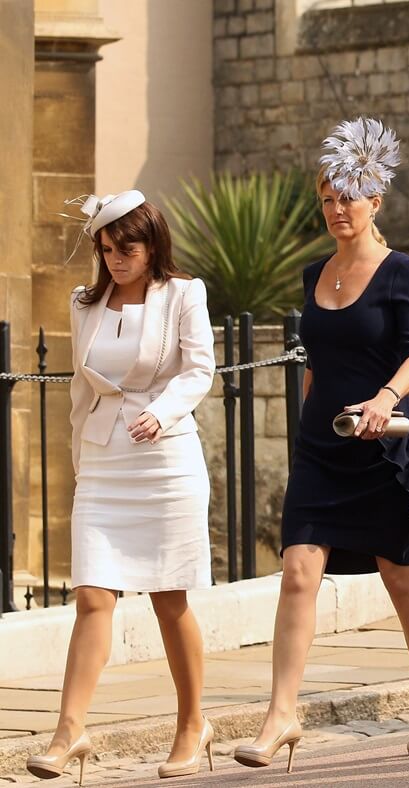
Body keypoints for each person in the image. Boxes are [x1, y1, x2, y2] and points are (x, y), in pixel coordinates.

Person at [234, 118, 409, 773]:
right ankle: (282, 713)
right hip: (322, 451)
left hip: (380, 451)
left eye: (347, 198)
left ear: (375, 201)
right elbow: (315, 363)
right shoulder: (311, 275)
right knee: (298, 572)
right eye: (326, 198)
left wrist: (386, 399)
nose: (335, 210)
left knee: (398, 574)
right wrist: (306, 419)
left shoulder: (400, 273)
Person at [28, 191, 216, 783]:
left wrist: (162, 412)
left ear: (152, 243)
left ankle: (192, 724)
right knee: (91, 596)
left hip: (165, 460)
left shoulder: (185, 293)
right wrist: (80, 459)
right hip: (105, 464)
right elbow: (82, 394)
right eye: (105, 249)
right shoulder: (85, 302)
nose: (114, 259)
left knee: (169, 598)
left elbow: (200, 369)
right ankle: (69, 730)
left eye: (125, 248)